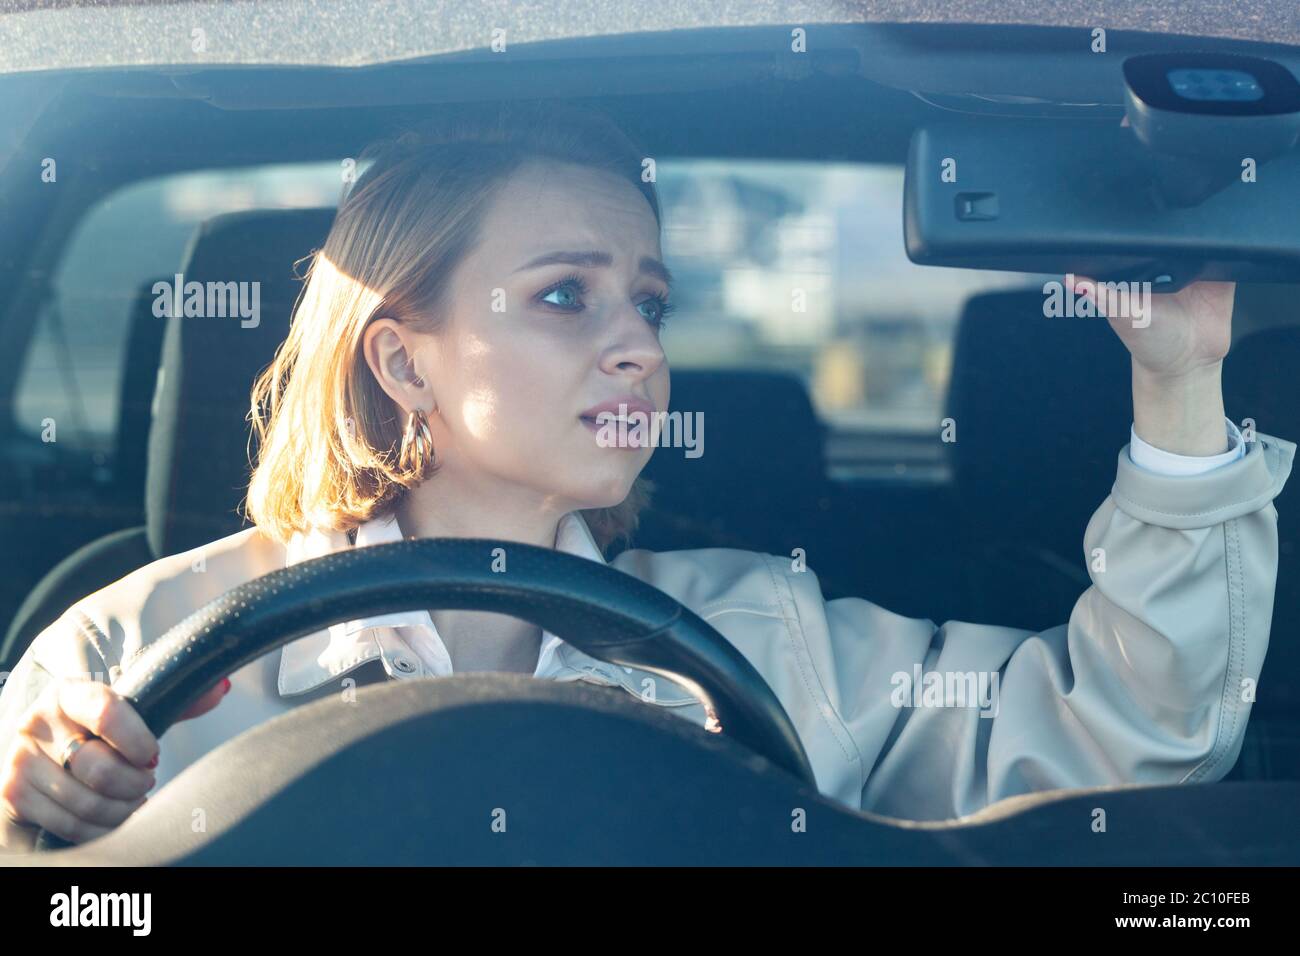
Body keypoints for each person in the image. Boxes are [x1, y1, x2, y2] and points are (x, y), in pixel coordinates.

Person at [0, 101, 1294, 852]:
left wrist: (1180, 386)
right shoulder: (137, 648)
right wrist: (34, 807)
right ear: (402, 361)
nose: (636, 343)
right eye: (566, 295)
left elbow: (1135, 737)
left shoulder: (762, 632)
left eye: (651, 302)